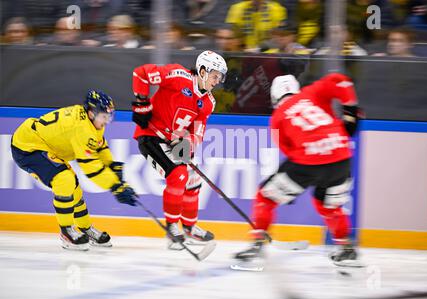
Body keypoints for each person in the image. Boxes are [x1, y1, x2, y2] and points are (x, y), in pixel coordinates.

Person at [234, 73, 364, 267]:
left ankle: (257, 244)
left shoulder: (276, 118)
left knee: (265, 197)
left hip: (308, 161)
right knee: (328, 205)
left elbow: (289, 151)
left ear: (274, 97)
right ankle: (346, 247)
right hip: (341, 158)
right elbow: (340, 80)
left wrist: (291, 185)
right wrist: (351, 111)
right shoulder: (311, 93)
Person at [11, 90, 138, 251]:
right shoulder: (81, 128)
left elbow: (99, 146)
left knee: (73, 186)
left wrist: (112, 167)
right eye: (104, 116)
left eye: (109, 116)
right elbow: (91, 167)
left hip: (45, 145)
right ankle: (66, 232)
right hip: (27, 147)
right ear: (92, 113)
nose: (107, 121)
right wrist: (116, 187)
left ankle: (85, 228)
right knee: (64, 180)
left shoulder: (94, 122)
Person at [131, 50, 227, 249]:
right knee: (178, 175)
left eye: (220, 77)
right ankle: (173, 228)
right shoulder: (177, 76)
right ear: (202, 71)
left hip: (172, 142)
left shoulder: (208, 102)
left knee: (193, 179)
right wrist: (142, 103)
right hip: (150, 136)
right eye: (215, 75)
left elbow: (198, 133)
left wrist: (187, 142)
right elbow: (141, 73)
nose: (217, 81)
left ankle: (190, 227)